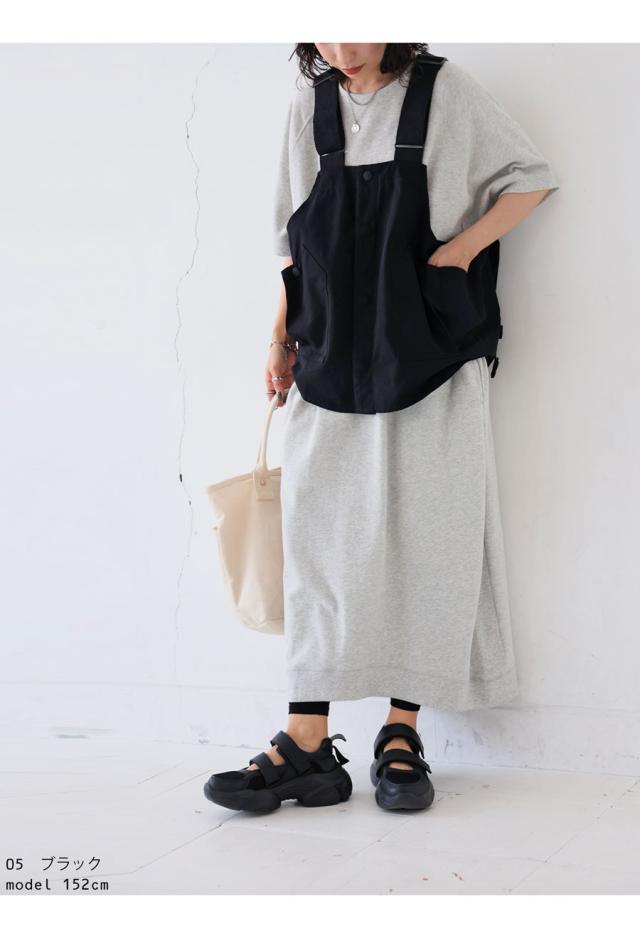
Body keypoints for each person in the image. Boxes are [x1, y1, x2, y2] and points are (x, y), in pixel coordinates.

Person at [204, 43, 560, 813]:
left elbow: (529, 178)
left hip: (433, 354)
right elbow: (293, 246)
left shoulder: (444, 91)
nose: (343, 51)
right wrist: (279, 340)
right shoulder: (310, 108)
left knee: (429, 538)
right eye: (326, 32)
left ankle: (402, 731)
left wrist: (460, 251)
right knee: (320, 547)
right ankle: (307, 739)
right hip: (329, 357)